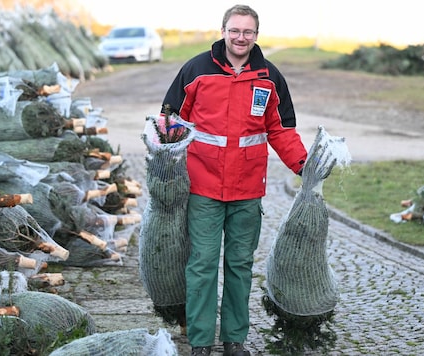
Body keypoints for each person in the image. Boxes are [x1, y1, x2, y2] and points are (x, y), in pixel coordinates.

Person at [160, 4, 307, 356]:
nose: (241, 37)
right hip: (203, 187)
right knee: (203, 264)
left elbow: (281, 129)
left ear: (256, 35)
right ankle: (200, 342)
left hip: (247, 189)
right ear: (224, 30)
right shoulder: (195, 70)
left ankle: (234, 340)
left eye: (248, 32)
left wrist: (304, 165)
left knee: (240, 265)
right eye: (235, 30)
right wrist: (164, 151)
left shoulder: (269, 77)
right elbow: (169, 119)